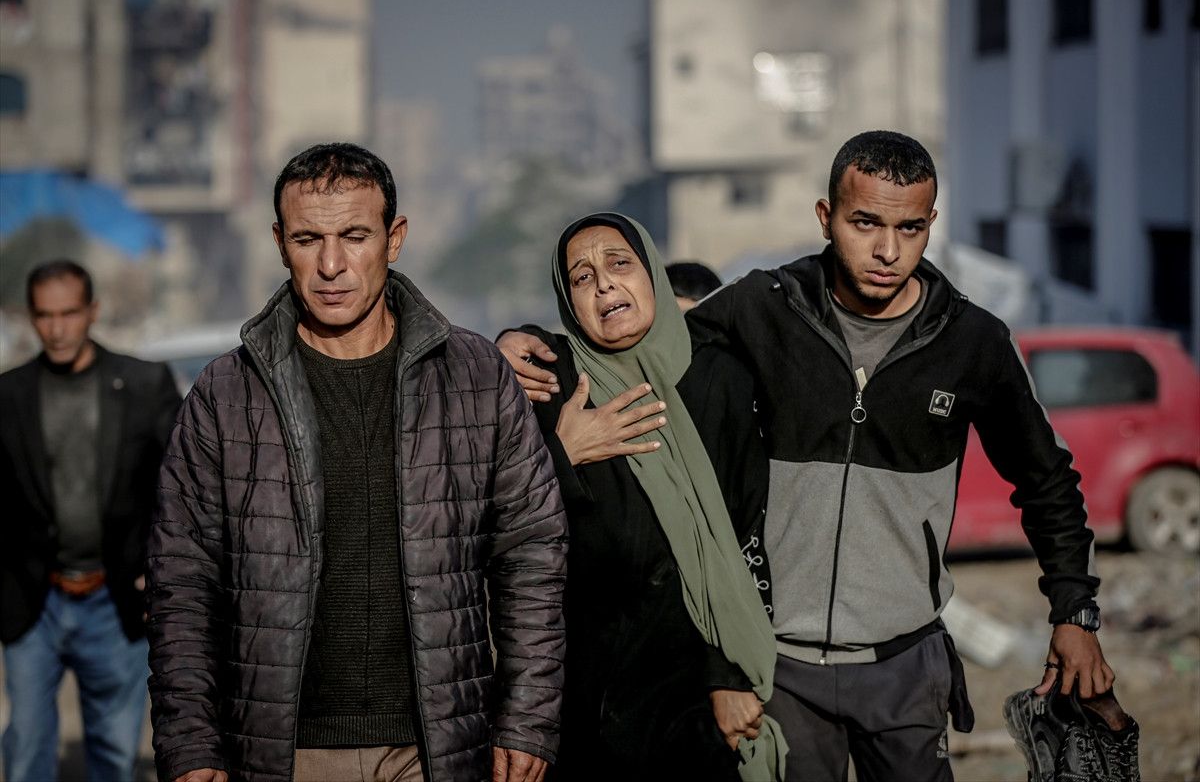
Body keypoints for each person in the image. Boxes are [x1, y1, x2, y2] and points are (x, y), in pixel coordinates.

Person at [501, 132, 1114, 782]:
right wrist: (526, 345)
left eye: (909, 228)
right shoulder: (766, 305)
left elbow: (1046, 478)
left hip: (905, 662)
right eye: (865, 223)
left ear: (931, 223)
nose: (887, 250)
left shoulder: (972, 343)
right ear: (826, 217)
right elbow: (648, 337)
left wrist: (1074, 612)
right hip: (783, 672)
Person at [146, 143, 567, 782]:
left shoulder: (477, 377)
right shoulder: (225, 395)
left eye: (354, 236)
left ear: (394, 239)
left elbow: (532, 555)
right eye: (308, 239)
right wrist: (189, 742)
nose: (331, 265)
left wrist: (528, 717)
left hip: (438, 747)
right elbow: (181, 579)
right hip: (282, 752)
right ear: (280, 243)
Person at [499, 213, 783, 781]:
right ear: (568, 301)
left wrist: (728, 676)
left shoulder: (719, 377)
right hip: (587, 695)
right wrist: (562, 454)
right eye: (582, 277)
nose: (604, 283)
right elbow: (498, 521)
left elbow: (747, 533)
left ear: (651, 272)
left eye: (619, 263)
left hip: (693, 689)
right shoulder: (551, 383)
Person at [0, 260, 182, 782]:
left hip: (115, 597)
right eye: (45, 316)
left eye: (69, 313)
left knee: (114, 755)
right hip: (34, 601)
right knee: (26, 747)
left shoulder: (143, 384)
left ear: (92, 311)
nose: (57, 328)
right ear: (31, 317)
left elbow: (180, 487)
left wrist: (159, 569)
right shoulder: (8, 395)